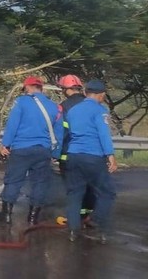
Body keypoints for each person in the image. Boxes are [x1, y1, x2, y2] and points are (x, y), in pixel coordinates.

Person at [0, 76, 64, 225]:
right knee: (40, 183)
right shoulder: (55, 107)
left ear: (27, 87)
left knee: (13, 180)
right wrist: (56, 154)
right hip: (43, 151)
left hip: (21, 149)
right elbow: (59, 133)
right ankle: (32, 218)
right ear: (41, 88)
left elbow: (13, 124)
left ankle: (6, 215)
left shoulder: (21, 102)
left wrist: (6, 144)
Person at [64, 79, 117, 243]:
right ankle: (96, 221)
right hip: (93, 156)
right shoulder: (100, 110)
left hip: (73, 155)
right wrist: (111, 156)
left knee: (74, 194)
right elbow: (103, 134)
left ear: (86, 93)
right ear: (101, 95)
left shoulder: (73, 110)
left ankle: (73, 231)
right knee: (107, 193)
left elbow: (70, 132)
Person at [56, 75, 96, 225]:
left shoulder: (63, 106)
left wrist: (56, 152)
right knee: (88, 186)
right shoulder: (91, 104)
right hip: (91, 154)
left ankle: (74, 219)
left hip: (70, 154)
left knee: (74, 187)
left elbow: (62, 132)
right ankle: (87, 215)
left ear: (66, 90)